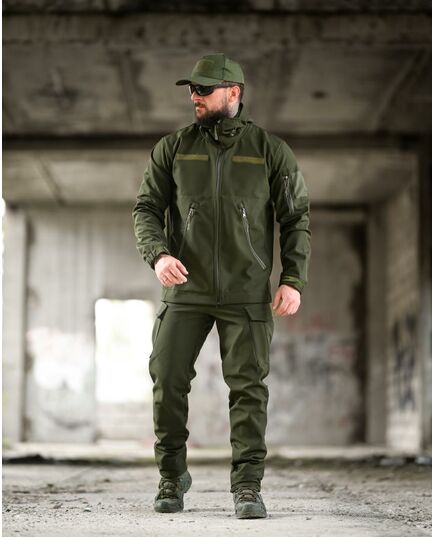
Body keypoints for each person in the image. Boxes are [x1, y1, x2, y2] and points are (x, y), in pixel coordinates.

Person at [132, 53, 311, 519]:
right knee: (167, 379)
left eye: (204, 89)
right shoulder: (173, 148)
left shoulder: (269, 150)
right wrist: (158, 254)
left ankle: (247, 486)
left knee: (248, 389)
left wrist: (292, 279)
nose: (195, 96)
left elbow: (296, 218)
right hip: (185, 290)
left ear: (234, 92)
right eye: (192, 88)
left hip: (246, 291)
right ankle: (172, 476)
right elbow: (146, 208)